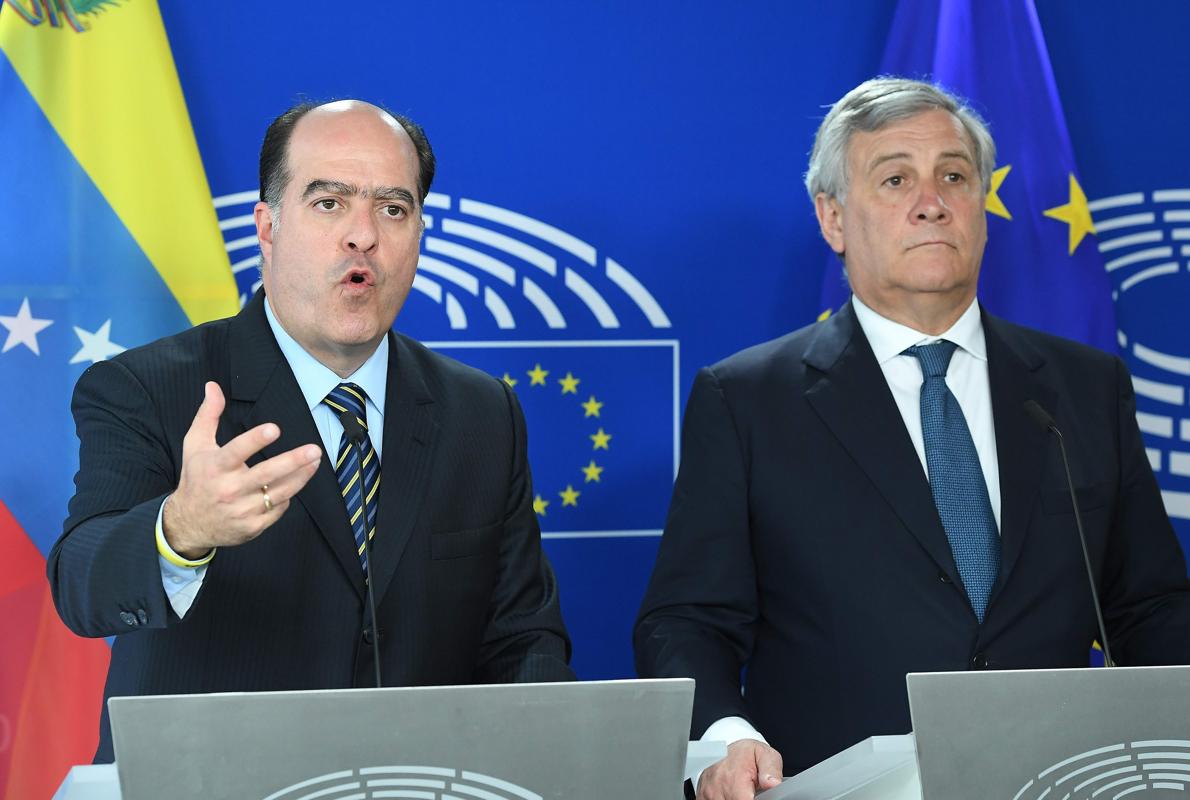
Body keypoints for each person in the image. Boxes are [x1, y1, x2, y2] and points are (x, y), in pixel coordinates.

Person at [634, 77, 1190, 799]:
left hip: (1058, 781)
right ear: (833, 219)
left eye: (954, 176)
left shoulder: (1083, 389)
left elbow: (1149, 608)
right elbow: (687, 622)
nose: (932, 201)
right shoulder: (746, 400)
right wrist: (728, 740)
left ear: (983, 211)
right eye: (895, 178)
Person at [49, 100, 574, 763]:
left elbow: (524, 637)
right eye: (329, 203)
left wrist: (546, 757)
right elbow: (82, 587)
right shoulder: (149, 389)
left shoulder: (481, 414)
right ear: (267, 225)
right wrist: (180, 530)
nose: (363, 236)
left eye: (393, 209)